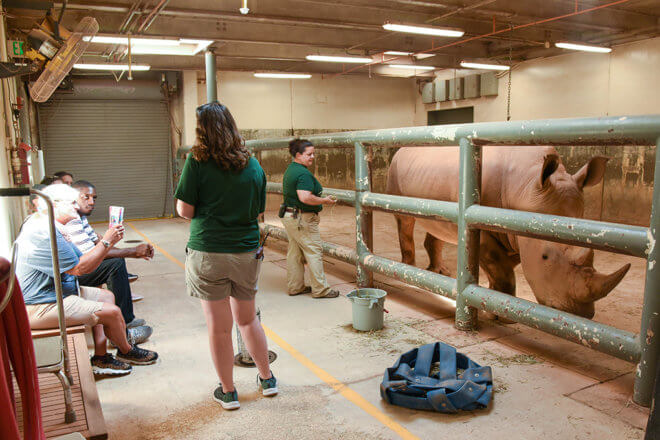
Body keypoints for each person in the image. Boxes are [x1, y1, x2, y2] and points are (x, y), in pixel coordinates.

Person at [174, 101, 277, 410]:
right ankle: (267, 378)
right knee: (248, 320)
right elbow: (258, 210)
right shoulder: (254, 164)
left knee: (219, 327)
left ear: (201, 131)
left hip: (209, 251)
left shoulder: (197, 162)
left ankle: (229, 392)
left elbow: (184, 210)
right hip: (246, 251)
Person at [15, 184, 158, 376]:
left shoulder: (52, 226)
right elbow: (80, 269)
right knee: (113, 312)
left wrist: (107, 244)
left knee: (106, 297)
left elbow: (81, 260)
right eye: (72, 203)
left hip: (59, 291)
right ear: (53, 205)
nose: (77, 207)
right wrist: (106, 242)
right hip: (40, 305)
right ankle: (126, 351)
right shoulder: (44, 232)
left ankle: (101, 357)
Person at [59, 180, 153, 345]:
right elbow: (91, 254)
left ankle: (124, 322)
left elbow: (99, 244)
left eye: (94, 198)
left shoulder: (80, 218)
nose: (91, 202)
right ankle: (123, 329)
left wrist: (113, 239)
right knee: (114, 265)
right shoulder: (70, 219)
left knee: (115, 261)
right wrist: (131, 252)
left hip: (74, 271)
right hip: (68, 278)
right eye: (85, 197)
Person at [281, 138, 340, 299]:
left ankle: (295, 287)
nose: (312, 157)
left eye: (313, 153)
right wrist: (324, 200)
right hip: (302, 217)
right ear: (298, 155)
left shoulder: (291, 169)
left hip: (289, 215)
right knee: (314, 250)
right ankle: (321, 289)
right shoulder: (303, 174)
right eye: (309, 154)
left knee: (295, 252)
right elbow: (305, 197)